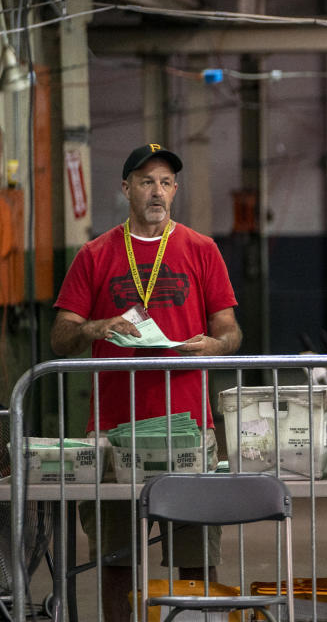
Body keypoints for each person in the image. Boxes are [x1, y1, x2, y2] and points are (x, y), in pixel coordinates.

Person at [51, 143, 242, 622]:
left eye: (164, 182)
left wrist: (215, 347)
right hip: (115, 431)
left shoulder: (201, 249)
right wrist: (96, 327)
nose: (156, 191)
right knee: (117, 560)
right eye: (145, 181)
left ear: (175, 190)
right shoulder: (95, 254)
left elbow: (231, 331)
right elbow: (60, 338)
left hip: (189, 432)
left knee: (196, 556)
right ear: (125, 188)